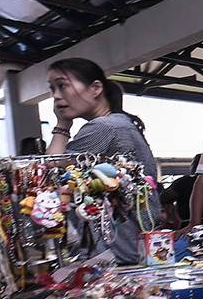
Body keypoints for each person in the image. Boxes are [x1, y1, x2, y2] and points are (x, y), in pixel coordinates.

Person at [46, 57, 161, 265]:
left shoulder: (103, 127)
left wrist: (62, 125)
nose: (56, 96)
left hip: (114, 254)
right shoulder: (122, 124)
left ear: (96, 88)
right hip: (134, 248)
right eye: (52, 88)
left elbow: (49, 170)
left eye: (62, 85)